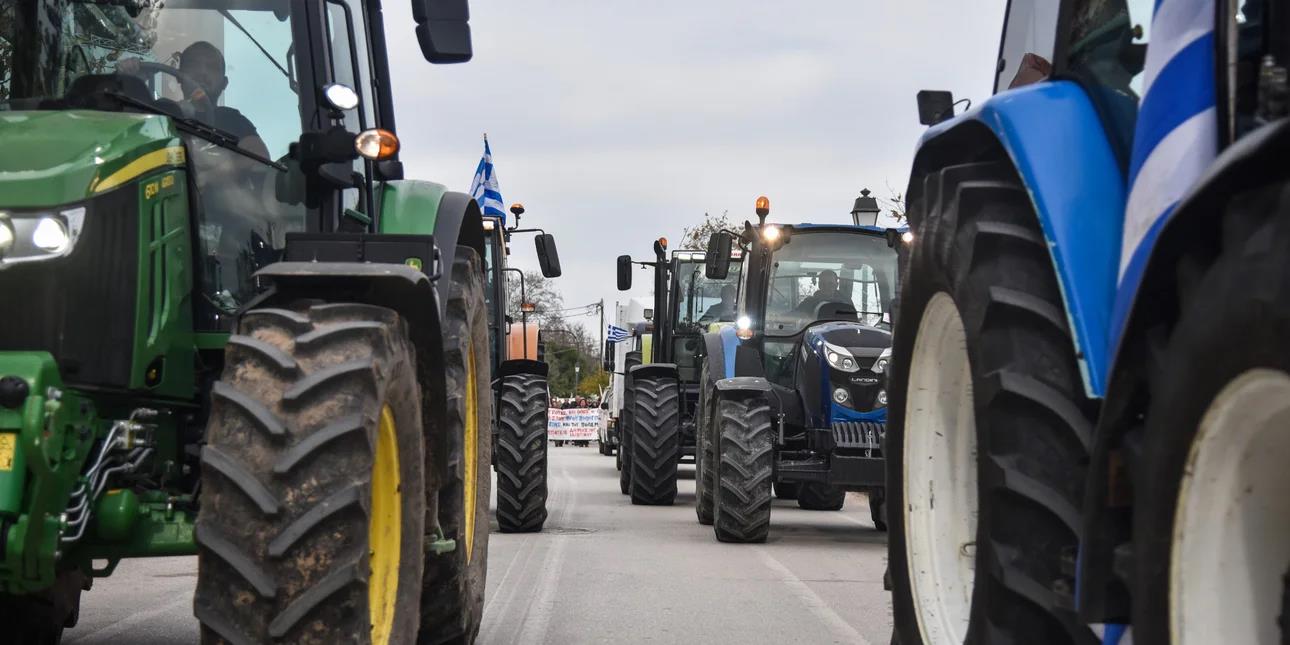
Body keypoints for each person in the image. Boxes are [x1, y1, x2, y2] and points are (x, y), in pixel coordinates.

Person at [120, 42, 267, 156]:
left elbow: (260, 157)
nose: (202, 72)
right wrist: (132, 84)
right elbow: (125, 139)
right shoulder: (160, 111)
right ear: (179, 76)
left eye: (212, 67)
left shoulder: (233, 119)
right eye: (193, 64)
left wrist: (218, 171)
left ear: (224, 83)